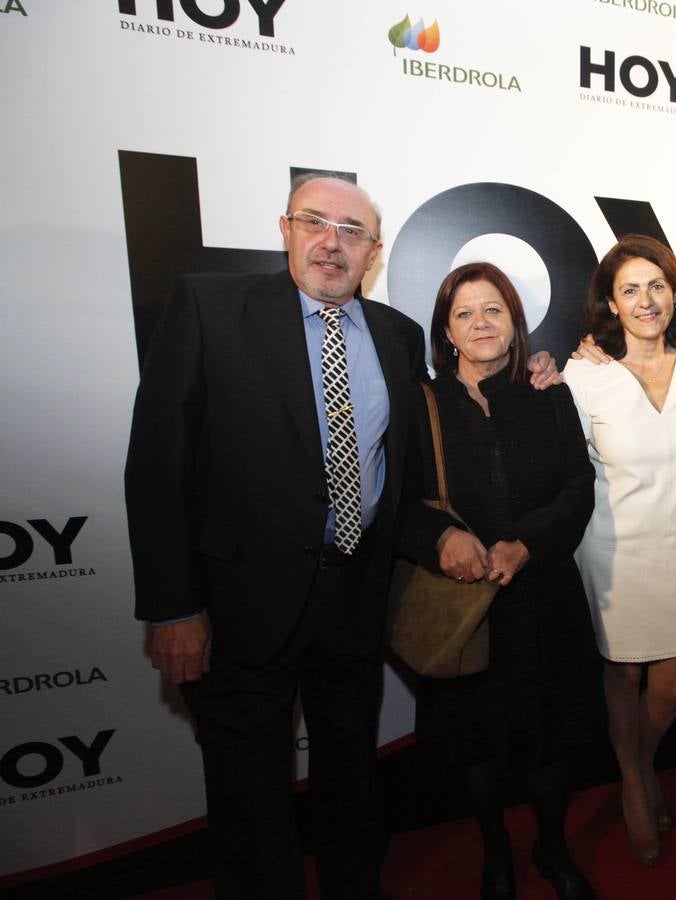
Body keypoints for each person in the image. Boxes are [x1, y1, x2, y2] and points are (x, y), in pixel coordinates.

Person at [125, 174, 426, 899]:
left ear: (374, 252)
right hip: (236, 605)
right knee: (250, 796)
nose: (332, 242)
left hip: (354, 595)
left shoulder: (398, 335)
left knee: (351, 772)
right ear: (285, 230)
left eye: (352, 231)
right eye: (315, 222)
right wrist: (172, 607)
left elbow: (408, 464)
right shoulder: (209, 307)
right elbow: (158, 466)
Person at [398, 262, 599, 900]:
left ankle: (551, 845)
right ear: (446, 332)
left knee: (547, 743)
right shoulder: (421, 403)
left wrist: (528, 544)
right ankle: (495, 855)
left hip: (542, 600)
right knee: (476, 746)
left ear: (515, 322)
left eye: (494, 310)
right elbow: (397, 505)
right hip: (465, 606)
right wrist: (442, 540)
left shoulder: (548, 392)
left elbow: (578, 488)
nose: (481, 324)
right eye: (464, 314)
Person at [563, 235, 676, 867]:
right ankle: (635, 785)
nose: (645, 300)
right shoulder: (583, 375)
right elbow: (570, 477)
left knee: (672, 687)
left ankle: (639, 764)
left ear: (674, 293)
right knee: (622, 676)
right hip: (612, 552)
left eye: (657, 286)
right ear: (610, 302)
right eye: (630, 289)